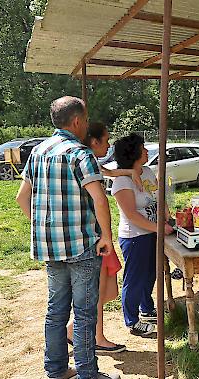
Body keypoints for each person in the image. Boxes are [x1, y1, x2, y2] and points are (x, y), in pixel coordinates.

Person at [15, 96, 121, 379]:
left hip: (50, 247)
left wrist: (43, 228)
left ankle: (57, 373)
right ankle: (88, 377)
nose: (87, 125)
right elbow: (99, 198)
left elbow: (22, 198)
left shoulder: (37, 152)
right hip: (81, 246)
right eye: (85, 120)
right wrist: (106, 237)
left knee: (55, 312)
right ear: (77, 121)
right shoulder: (79, 153)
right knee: (85, 312)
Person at [64, 122, 141, 353]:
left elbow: (108, 171)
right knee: (97, 291)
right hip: (95, 238)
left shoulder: (87, 161)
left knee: (106, 290)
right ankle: (96, 337)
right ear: (94, 141)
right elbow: (101, 197)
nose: (109, 146)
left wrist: (129, 172)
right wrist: (105, 235)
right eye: (106, 140)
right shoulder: (85, 159)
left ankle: (73, 329)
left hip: (93, 237)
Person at [111, 133, 173, 337]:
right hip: (135, 237)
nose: (146, 151)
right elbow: (131, 215)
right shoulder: (121, 181)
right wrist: (159, 228)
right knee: (135, 278)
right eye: (143, 148)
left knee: (150, 273)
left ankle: (147, 308)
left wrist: (166, 215)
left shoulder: (146, 171)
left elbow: (157, 196)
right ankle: (132, 320)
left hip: (152, 232)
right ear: (134, 153)